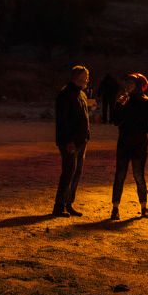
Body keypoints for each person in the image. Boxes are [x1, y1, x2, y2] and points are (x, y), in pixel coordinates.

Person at [111, 73, 148, 220]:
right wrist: (118, 105)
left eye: (131, 83)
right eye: (126, 83)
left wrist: (140, 131)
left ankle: (144, 208)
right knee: (120, 175)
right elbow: (115, 121)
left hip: (139, 145)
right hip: (124, 143)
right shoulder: (123, 101)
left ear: (138, 85)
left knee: (139, 175)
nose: (127, 86)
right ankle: (115, 208)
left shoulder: (146, 102)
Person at [53, 65, 91, 217]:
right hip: (70, 142)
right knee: (68, 172)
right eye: (83, 77)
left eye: (87, 77)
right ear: (75, 77)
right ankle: (59, 206)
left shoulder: (81, 94)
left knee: (76, 173)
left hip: (81, 141)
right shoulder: (65, 95)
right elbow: (63, 121)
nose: (86, 80)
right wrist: (68, 141)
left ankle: (69, 203)